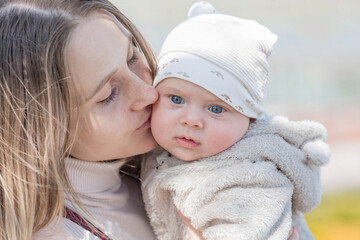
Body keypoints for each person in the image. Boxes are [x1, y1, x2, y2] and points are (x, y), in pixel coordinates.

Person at [0, 0, 301, 239]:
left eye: (133, 57)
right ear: (42, 127)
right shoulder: (64, 233)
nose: (148, 93)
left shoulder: (171, 163)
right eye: (108, 95)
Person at [141, 2, 330, 240]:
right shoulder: (156, 150)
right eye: (176, 99)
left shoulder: (250, 177)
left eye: (217, 108)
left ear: (250, 119)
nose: (191, 120)